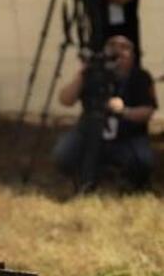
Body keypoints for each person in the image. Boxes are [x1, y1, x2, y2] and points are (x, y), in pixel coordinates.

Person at [52, 34, 157, 192]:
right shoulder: (93, 73)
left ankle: (118, 175)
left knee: (143, 162)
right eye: (112, 45)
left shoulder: (141, 77)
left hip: (126, 137)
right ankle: (88, 174)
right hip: (88, 133)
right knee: (62, 156)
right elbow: (65, 100)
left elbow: (148, 111)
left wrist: (124, 111)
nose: (118, 51)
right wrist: (82, 74)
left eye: (124, 47)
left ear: (133, 56)